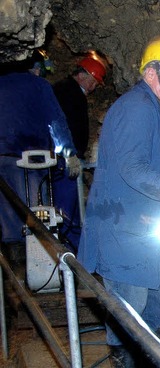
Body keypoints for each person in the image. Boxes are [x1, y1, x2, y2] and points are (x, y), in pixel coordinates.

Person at [77, 36, 160, 368]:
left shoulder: (157, 110)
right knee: (130, 314)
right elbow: (131, 168)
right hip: (122, 230)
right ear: (150, 72)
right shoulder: (136, 108)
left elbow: (153, 165)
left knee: (155, 306)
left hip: (144, 231)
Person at [0, 65, 81, 249]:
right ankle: (38, 263)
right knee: (37, 218)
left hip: (1, 160)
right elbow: (55, 121)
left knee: (8, 220)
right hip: (29, 160)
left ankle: (14, 268)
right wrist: (69, 153)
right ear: (36, 68)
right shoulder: (38, 85)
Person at [52, 53, 107, 252]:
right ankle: (72, 252)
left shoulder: (67, 91)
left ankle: (72, 249)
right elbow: (60, 125)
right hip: (65, 160)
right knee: (68, 209)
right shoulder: (68, 92)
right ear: (82, 75)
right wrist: (69, 153)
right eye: (93, 80)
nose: (93, 86)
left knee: (70, 208)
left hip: (66, 158)